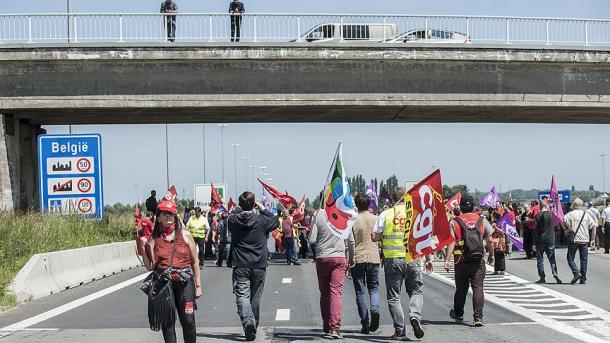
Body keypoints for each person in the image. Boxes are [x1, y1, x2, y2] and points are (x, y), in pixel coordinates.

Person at [141, 189, 201, 343]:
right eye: (164, 213)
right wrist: (143, 249)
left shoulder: (186, 235)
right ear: (158, 217)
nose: (167, 216)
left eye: (170, 213)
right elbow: (149, 266)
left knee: (188, 321)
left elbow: (195, 261)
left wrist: (198, 285)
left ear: (175, 216)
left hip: (185, 283)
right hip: (163, 284)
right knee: (168, 324)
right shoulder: (154, 239)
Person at [373, 186, 432, 340]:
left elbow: (375, 236)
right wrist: (428, 259)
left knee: (394, 297)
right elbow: (423, 238)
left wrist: (384, 236)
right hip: (412, 257)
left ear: (392, 199)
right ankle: (415, 317)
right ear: (406, 198)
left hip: (393, 259)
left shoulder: (386, 214)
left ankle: (399, 330)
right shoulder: (415, 214)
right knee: (416, 291)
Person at [228, 192, 279, 341]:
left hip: (241, 264)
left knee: (242, 296)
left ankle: (248, 323)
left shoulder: (234, 220)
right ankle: (253, 324)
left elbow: (230, 217)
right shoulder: (262, 220)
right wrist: (263, 208)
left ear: (240, 204)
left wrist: (239, 208)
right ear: (253, 205)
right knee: (255, 297)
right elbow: (275, 221)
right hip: (259, 264)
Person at [444, 195, 494, 327]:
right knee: (478, 288)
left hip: (460, 261)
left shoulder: (454, 222)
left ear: (460, 207)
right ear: (473, 206)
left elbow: (451, 243)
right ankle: (478, 318)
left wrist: (447, 260)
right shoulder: (482, 220)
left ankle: (459, 314)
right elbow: (489, 239)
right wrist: (491, 254)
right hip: (477, 261)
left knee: (461, 289)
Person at [309, 209, 355, 340]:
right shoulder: (344, 214)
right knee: (336, 292)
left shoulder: (319, 214)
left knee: (324, 293)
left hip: (322, 257)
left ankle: (327, 327)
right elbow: (351, 241)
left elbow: (312, 239)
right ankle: (335, 328)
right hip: (339, 258)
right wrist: (351, 259)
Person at [351, 193, 381, 334]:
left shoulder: (352, 220)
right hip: (373, 256)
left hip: (358, 257)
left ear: (356, 204)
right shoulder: (376, 218)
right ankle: (375, 309)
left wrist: (348, 260)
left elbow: (349, 242)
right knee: (374, 288)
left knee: (360, 291)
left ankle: (365, 323)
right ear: (369, 204)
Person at [562, 198, 597, 285]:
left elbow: (561, 220)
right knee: (584, 260)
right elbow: (594, 226)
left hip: (574, 240)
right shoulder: (586, 215)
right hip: (585, 240)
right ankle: (583, 278)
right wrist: (592, 239)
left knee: (570, 258)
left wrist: (565, 229)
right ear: (581, 206)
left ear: (573, 205)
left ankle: (576, 272)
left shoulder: (570, 214)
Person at [533, 202, 562, 284]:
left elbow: (535, 230)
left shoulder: (537, 216)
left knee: (540, 259)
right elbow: (557, 228)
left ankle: (542, 277)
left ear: (540, 207)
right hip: (550, 239)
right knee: (552, 258)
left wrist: (534, 243)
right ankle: (554, 272)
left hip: (540, 240)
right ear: (547, 206)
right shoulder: (552, 215)